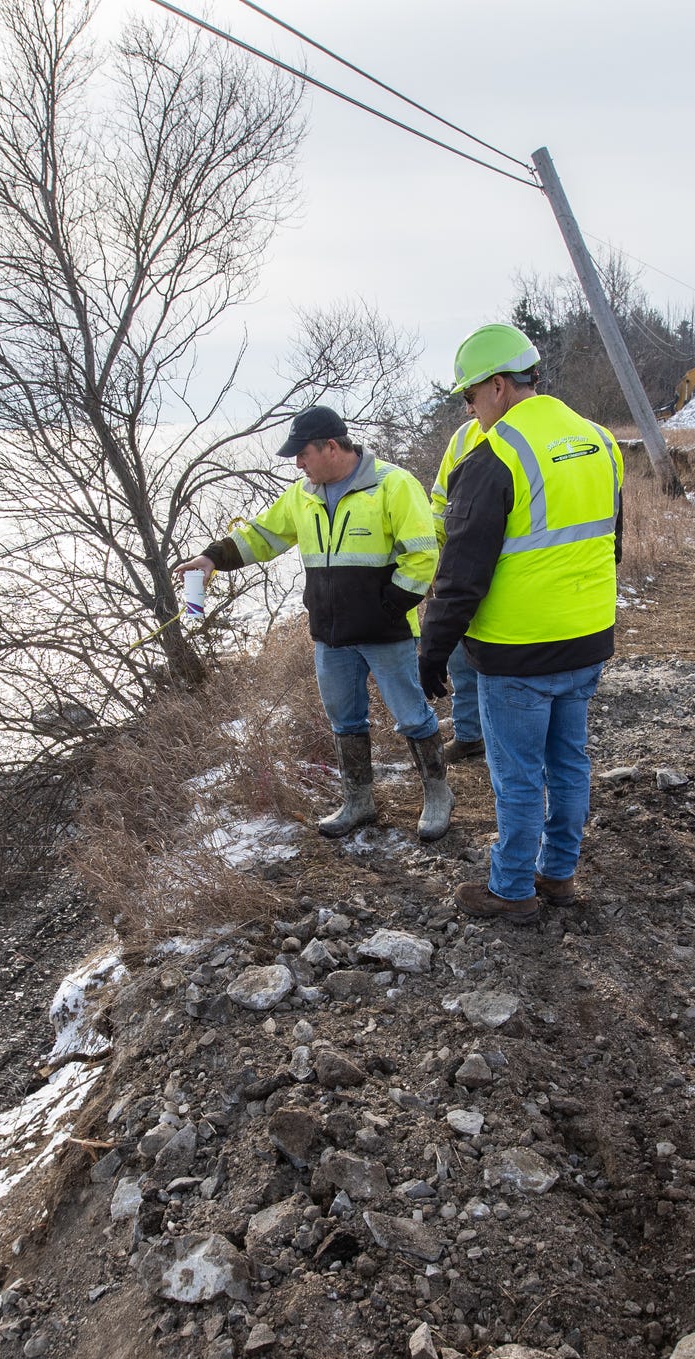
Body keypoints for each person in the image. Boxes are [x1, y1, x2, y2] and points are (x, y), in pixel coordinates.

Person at [418, 325, 622, 921]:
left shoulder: (496, 455)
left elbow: (461, 574)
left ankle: (511, 890)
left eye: (470, 397)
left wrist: (433, 651)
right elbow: (610, 544)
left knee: (518, 777)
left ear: (500, 386)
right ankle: (558, 875)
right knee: (569, 762)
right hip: (586, 640)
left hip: (517, 650)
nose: (469, 410)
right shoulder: (600, 440)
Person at [176, 405, 454, 841]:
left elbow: (422, 556)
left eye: (302, 454)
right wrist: (212, 558)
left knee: (411, 716)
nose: (297, 464)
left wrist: (387, 608)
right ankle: (358, 801)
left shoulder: (392, 484)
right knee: (345, 720)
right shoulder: (302, 495)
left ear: (330, 446)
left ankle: (438, 794)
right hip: (330, 637)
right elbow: (260, 537)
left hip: (386, 633)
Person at [427, 402, 488, 764]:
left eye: (473, 394)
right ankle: (469, 735)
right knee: (458, 658)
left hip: (511, 573)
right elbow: (439, 502)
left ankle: (499, 738)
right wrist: (434, 559)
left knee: (501, 667)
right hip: (458, 565)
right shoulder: (465, 436)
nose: (467, 407)